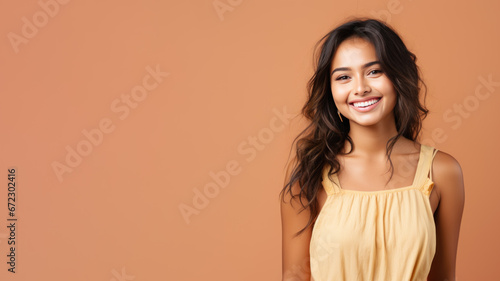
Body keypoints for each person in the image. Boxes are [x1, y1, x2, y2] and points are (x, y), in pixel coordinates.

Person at [280, 18, 465, 281]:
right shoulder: (311, 174)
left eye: (374, 71)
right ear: (330, 90)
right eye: (344, 77)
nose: (360, 88)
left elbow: (443, 276)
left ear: (399, 76)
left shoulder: (442, 172)